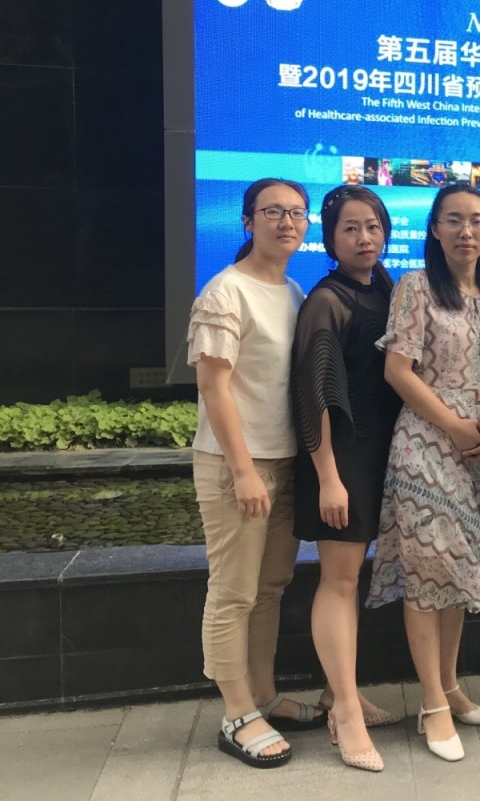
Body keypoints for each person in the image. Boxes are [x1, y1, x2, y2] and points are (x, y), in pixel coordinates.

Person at [365, 184, 480, 762]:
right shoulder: (416, 286)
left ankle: (449, 686)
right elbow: (397, 371)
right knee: (429, 570)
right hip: (426, 444)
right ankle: (431, 703)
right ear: (434, 228)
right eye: (453, 220)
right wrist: (453, 424)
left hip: (478, 448)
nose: (466, 231)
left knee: (458, 570)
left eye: (476, 220)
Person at [187, 177, 324, 769]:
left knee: (269, 588)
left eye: (297, 212)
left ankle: (263, 695)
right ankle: (237, 714)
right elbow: (213, 388)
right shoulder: (225, 292)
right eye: (273, 212)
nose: (287, 222)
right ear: (248, 221)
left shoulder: (292, 290)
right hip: (236, 465)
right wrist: (243, 471)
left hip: (285, 459)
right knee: (233, 591)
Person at [291, 186, 403, 772]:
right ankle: (346, 715)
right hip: (341, 460)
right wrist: (328, 478)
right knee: (338, 581)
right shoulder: (325, 301)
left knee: (350, 578)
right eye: (351, 228)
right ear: (330, 238)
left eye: (374, 227)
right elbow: (312, 397)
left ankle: (338, 693)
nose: (365, 238)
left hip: (380, 454)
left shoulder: (387, 289)